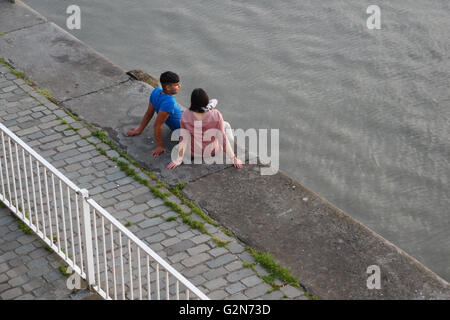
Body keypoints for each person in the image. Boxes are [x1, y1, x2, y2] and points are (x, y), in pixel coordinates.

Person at [167, 88, 243, 169]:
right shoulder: (216, 115)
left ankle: (209, 106)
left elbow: (183, 139)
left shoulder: (185, 116)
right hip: (212, 151)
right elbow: (222, 139)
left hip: (193, 152)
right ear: (206, 101)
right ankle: (232, 142)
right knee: (226, 125)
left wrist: (178, 159)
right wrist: (234, 158)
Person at [126, 71, 183, 157]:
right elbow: (157, 125)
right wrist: (159, 146)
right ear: (167, 87)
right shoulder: (169, 102)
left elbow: (149, 113)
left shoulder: (157, 91)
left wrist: (139, 130)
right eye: (176, 85)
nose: (179, 86)